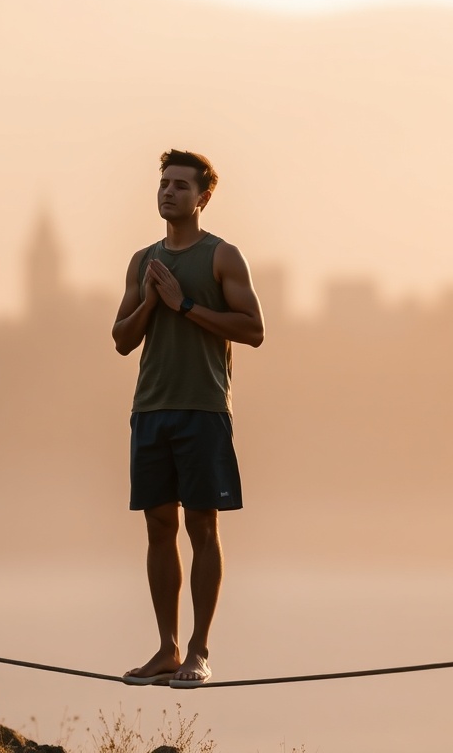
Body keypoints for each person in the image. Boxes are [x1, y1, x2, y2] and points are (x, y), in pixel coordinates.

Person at [111, 149, 265, 688]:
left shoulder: (222, 257)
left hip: (203, 408)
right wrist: (153, 302)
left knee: (202, 524)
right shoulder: (142, 261)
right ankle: (167, 650)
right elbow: (121, 341)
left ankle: (199, 651)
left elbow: (253, 329)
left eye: (180, 185)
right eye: (163, 184)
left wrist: (182, 306)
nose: (168, 192)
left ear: (202, 197)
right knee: (158, 526)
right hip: (151, 408)